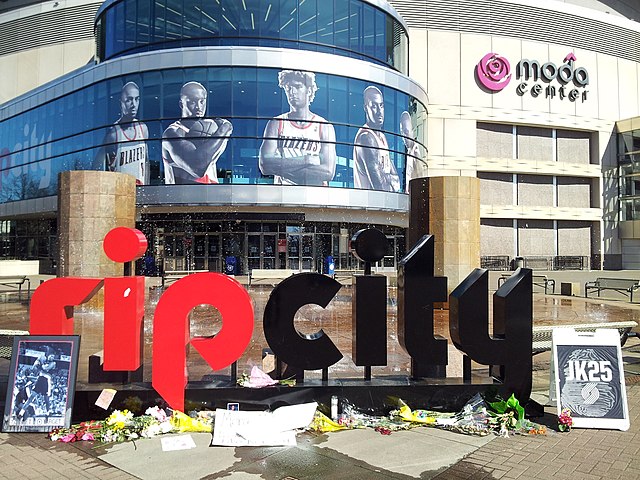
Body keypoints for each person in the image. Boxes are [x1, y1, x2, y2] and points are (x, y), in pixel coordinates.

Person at [259, 70, 336, 186]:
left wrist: (283, 168)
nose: (292, 92)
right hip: (284, 195)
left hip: (315, 196)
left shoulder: (324, 126)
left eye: (297, 87)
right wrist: (306, 160)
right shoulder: (276, 123)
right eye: (288, 88)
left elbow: (328, 171)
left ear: (309, 90)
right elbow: (265, 165)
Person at [162, 81, 233, 184]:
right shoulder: (172, 133)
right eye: (192, 102)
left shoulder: (210, 129)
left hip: (209, 195)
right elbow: (198, 167)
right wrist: (224, 129)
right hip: (182, 197)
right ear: (182, 104)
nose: (198, 107)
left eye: (202, 101)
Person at [353, 86, 400, 192]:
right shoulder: (366, 138)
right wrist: (390, 179)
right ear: (365, 108)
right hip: (368, 205)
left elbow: (398, 182)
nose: (379, 111)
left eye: (381, 105)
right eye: (374, 106)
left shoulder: (381, 137)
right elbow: (380, 187)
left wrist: (387, 178)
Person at [103, 82, 149, 185]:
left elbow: (146, 163)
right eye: (129, 100)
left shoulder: (143, 129)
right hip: (122, 190)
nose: (134, 105)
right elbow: (109, 168)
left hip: (141, 188)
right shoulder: (113, 134)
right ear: (121, 102)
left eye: (136, 99)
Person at [17, 354, 56, 420]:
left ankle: (48, 413)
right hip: (40, 379)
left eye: (53, 357)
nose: (52, 357)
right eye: (51, 356)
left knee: (46, 399)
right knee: (31, 397)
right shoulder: (43, 359)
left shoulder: (53, 363)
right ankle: (21, 413)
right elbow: (34, 368)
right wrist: (36, 363)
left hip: (47, 381)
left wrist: (39, 364)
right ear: (48, 356)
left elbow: (46, 368)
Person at [399, 110, 426, 192]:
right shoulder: (409, 151)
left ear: (412, 131)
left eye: (407, 132)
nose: (405, 137)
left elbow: (420, 176)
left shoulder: (415, 150)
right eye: (403, 133)